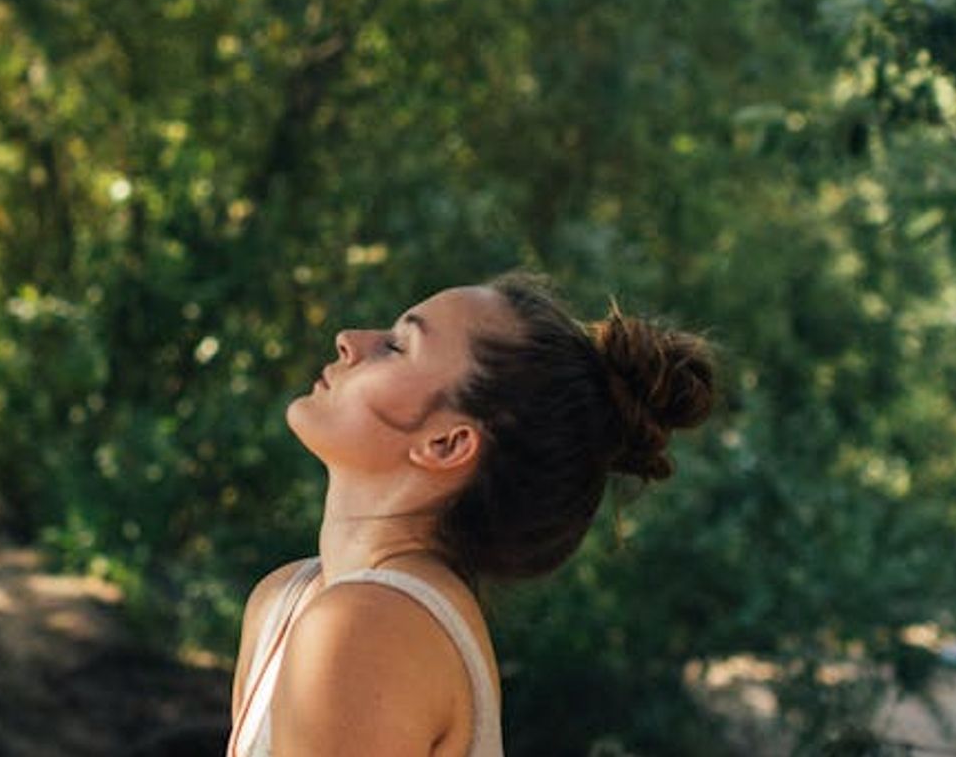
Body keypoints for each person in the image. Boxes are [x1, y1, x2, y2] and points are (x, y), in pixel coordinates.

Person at [226, 273, 717, 756]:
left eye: (397, 347)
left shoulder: (368, 627)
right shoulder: (284, 598)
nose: (351, 340)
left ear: (446, 444)